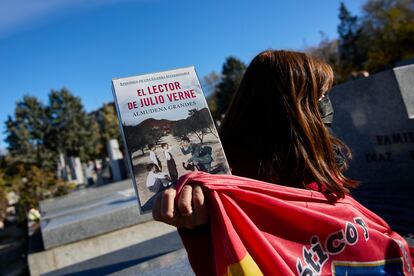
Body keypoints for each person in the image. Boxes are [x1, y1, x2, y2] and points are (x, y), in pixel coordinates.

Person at [152, 50, 413, 274]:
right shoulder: (231, 184)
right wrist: (197, 227)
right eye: (319, 97)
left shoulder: (310, 158)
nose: (327, 106)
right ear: (292, 108)